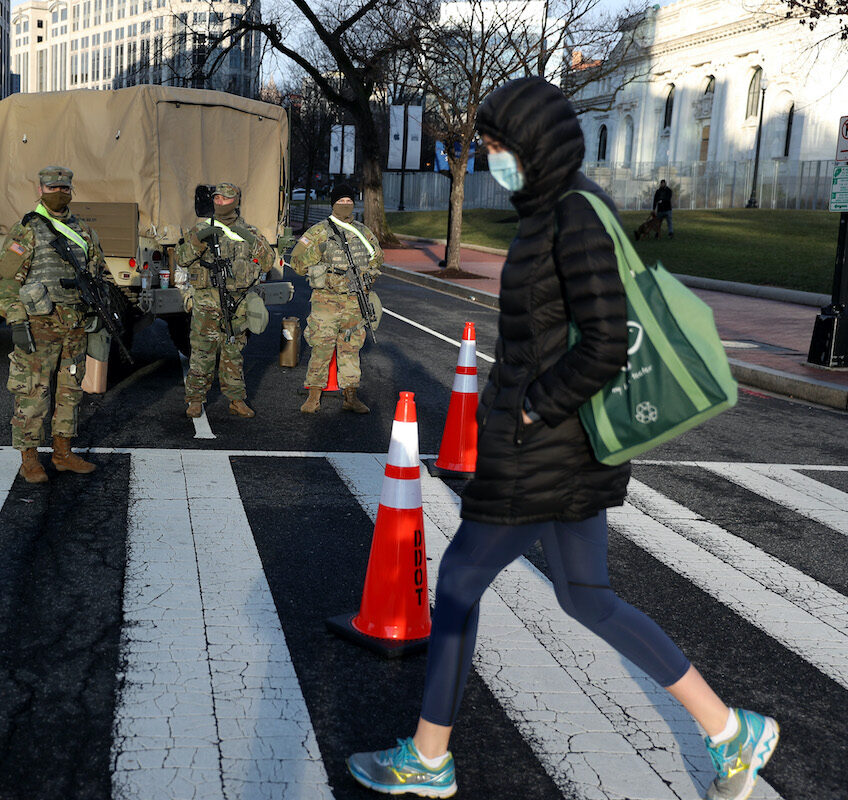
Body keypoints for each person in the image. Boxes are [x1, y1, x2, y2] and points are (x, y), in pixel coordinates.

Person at [347, 77, 778, 800]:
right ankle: (732, 731)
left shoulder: (572, 215)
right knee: (587, 596)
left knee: (455, 585)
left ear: (532, 142)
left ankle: (428, 758)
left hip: (544, 444)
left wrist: (529, 409)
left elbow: (605, 340)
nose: (490, 159)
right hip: (568, 444)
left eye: (494, 146)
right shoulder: (554, 209)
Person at [0, 165, 108, 482]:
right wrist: (16, 320)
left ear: (71, 190)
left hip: (75, 327)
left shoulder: (84, 231)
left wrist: (99, 309)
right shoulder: (27, 230)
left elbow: (97, 273)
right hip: (39, 324)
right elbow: (5, 281)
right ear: (41, 190)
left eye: (64, 188)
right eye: (52, 188)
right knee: (33, 392)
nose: (59, 192)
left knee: (70, 391)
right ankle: (29, 459)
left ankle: (62, 452)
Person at [175, 182, 274, 419]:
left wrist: (250, 239)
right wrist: (199, 239)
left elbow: (268, 261)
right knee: (201, 353)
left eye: (226, 199)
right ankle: (195, 400)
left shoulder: (248, 231)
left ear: (236, 201)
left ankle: (236, 399)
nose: (220, 203)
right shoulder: (201, 228)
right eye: (217, 199)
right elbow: (181, 257)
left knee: (234, 354)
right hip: (207, 303)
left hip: (236, 304)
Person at [288, 184, 382, 414]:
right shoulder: (318, 231)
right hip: (326, 301)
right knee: (321, 348)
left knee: (351, 348)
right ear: (333, 203)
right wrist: (318, 250)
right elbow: (297, 263)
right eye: (341, 201)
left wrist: (368, 274)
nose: (345, 205)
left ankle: (350, 396)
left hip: (354, 301)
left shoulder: (362, 231)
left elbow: (378, 256)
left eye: (349, 200)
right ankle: (313, 396)